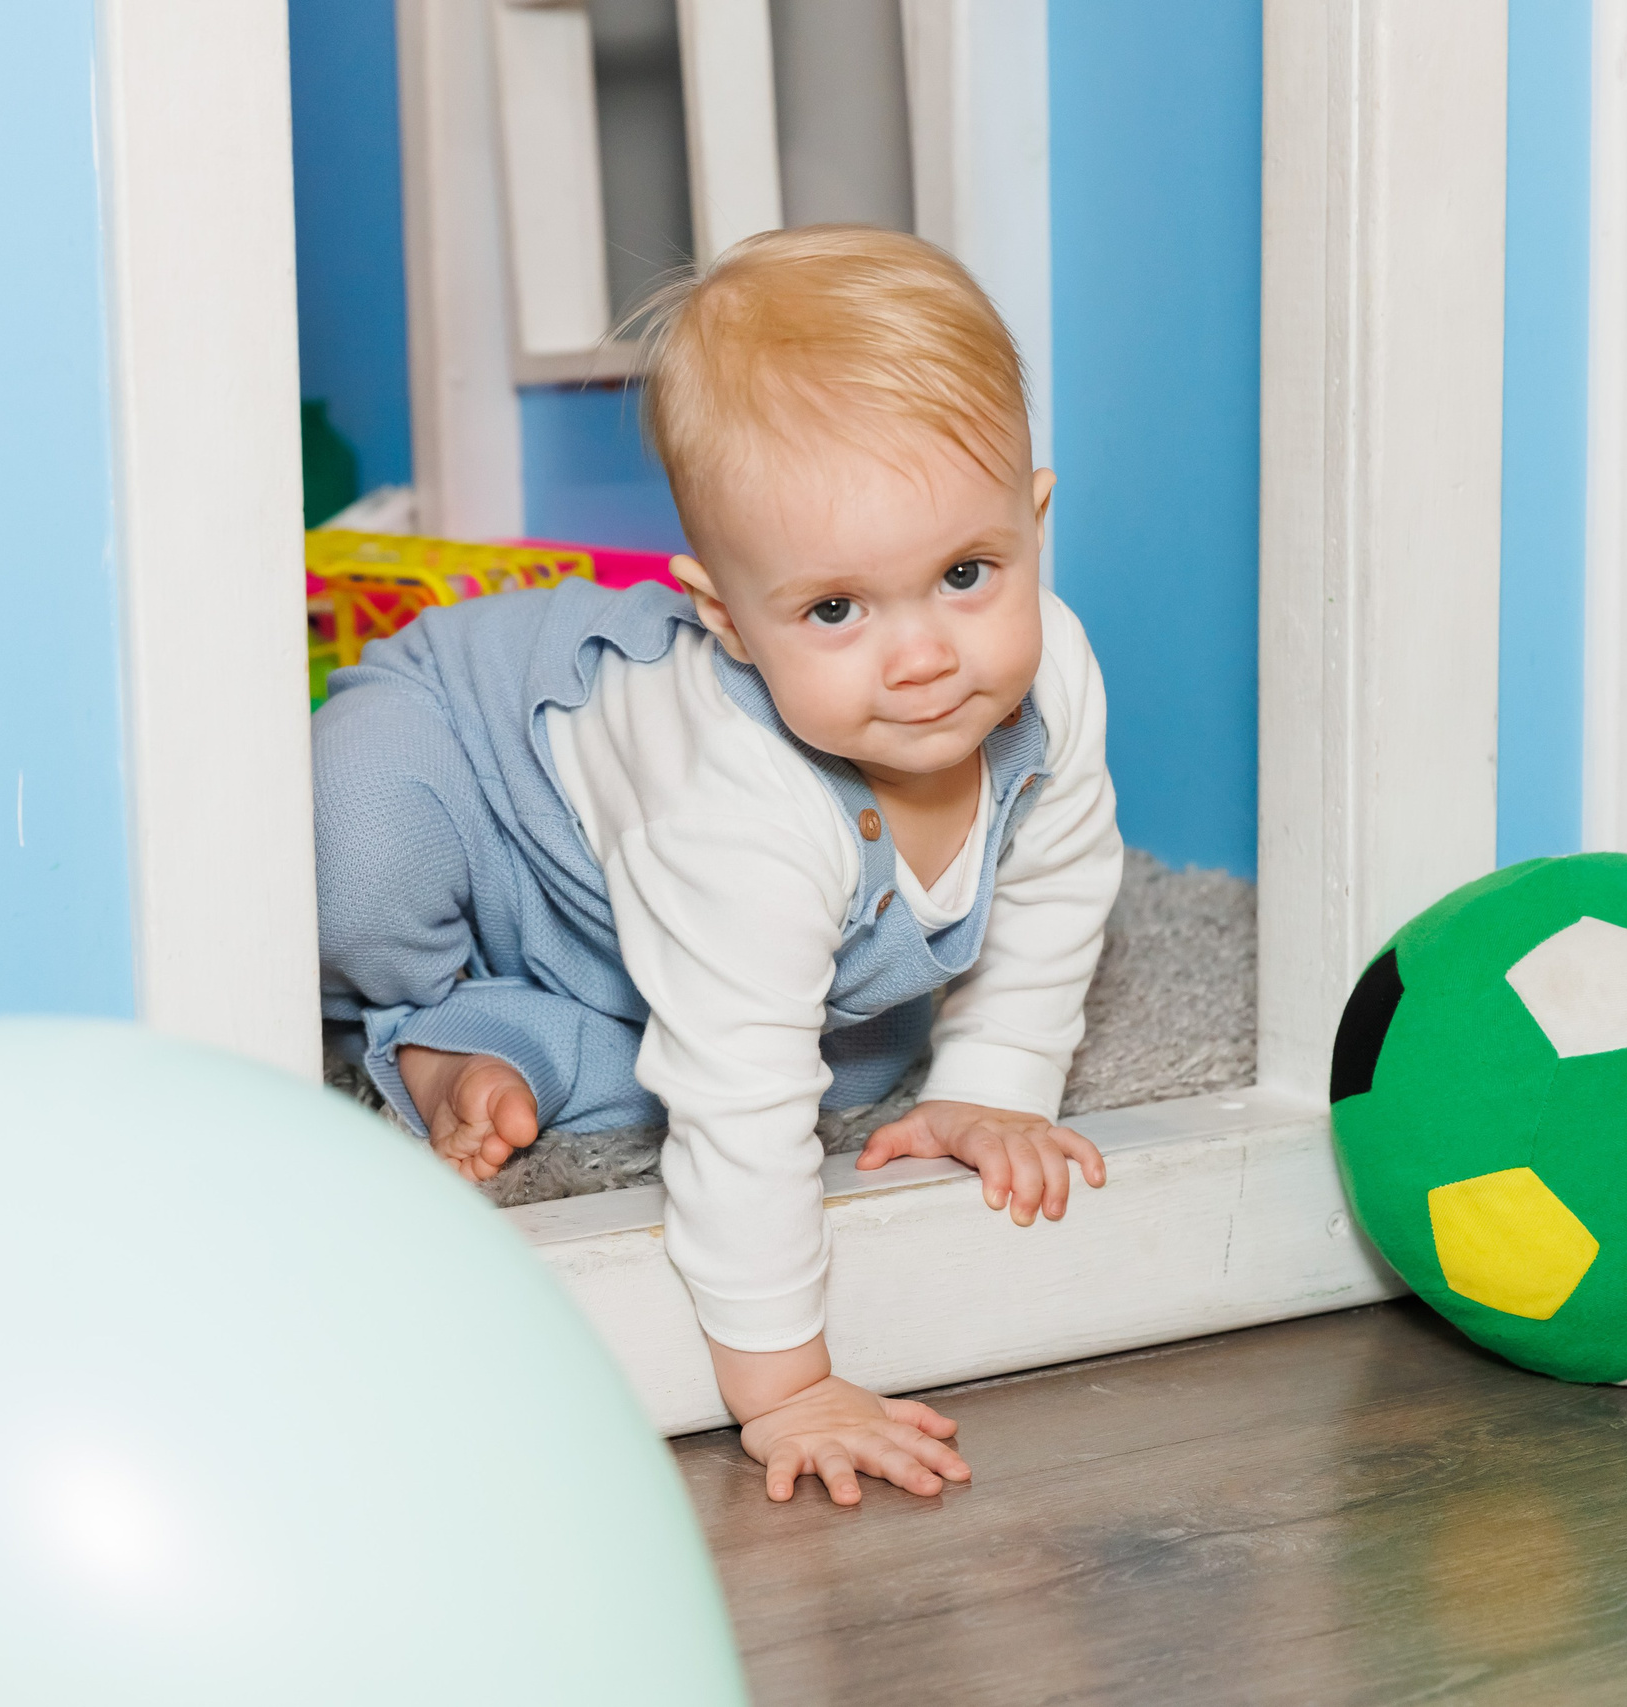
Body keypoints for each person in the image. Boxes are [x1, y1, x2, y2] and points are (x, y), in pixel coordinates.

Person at [314, 225, 1124, 1506]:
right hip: (475, 773)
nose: (922, 657)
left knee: (845, 1057)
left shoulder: (1057, 676)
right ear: (724, 618)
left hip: (638, 922)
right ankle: (413, 1004)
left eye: (965, 575)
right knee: (357, 829)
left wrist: (994, 1086)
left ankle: (492, 1041)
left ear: (1033, 523)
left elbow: (1058, 883)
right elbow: (740, 1106)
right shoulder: (738, 799)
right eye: (835, 610)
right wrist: (787, 1386)